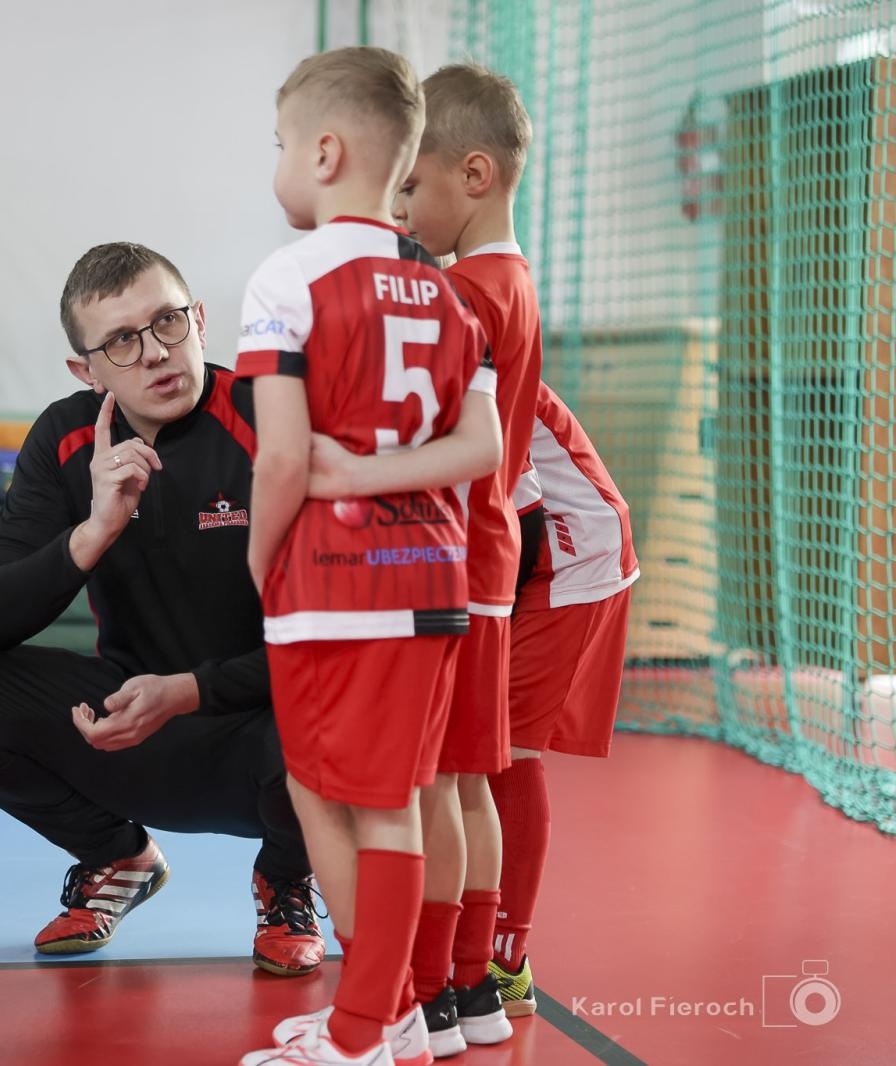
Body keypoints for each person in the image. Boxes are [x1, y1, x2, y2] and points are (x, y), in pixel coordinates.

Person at [0, 241, 326, 978]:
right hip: (129, 728)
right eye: (121, 343)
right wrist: (91, 533)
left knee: (353, 697)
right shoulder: (67, 438)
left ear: (199, 320)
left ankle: (287, 877)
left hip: (273, 734)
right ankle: (115, 855)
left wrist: (191, 691)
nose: (155, 355)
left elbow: (330, 639)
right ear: (86, 371)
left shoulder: (270, 417)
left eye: (166, 324)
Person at [237, 48, 501, 1066]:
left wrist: (261, 564)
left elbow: (287, 458)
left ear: (325, 150)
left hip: (330, 586)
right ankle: (384, 1018)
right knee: (392, 800)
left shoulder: (285, 274)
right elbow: (479, 451)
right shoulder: (445, 290)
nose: (278, 167)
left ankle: (362, 1031)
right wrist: (377, 477)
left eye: (279, 146)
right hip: (434, 584)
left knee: (324, 796)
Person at [391, 62, 539, 1056]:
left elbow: (434, 438)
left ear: (473, 175)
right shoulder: (512, 282)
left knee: (435, 784)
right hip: (489, 558)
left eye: (410, 183)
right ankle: (476, 988)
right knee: (471, 781)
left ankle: (434, 992)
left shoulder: (462, 297)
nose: (398, 206)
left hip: (448, 559)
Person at [486, 383, 639, 1015]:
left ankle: (505, 960)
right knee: (474, 749)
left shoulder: (469, 361)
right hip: (530, 547)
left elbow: (515, 508)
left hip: (566, 558)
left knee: (503, 753)